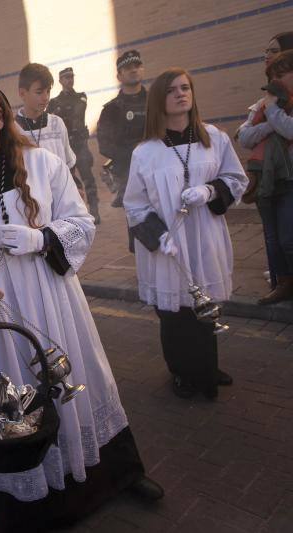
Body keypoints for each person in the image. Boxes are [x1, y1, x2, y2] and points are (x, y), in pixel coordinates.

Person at [0, 71, 161, 532]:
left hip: (55, 302)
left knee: (80, 382)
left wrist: (42, 237)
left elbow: (81, 221)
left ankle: (117, 474)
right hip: (0, 316)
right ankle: (37, 505)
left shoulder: (44, 165)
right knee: (19, 404)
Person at [124, 68, 248, 399]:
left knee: (205, 306)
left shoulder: (214, 138)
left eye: (186, 88)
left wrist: (209, 192)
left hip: (205, 235)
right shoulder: (145, 152)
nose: (181, 94)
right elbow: (134, 204)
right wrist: (156, 236)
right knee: (175, 313)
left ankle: (207, 367)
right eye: (172, 90)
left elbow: (236, 179)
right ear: (158, 101)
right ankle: (181, 370)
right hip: (169, 245)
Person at [236, 34, 293, 300]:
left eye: (282, 74)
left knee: (288, 239)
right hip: (265, 180)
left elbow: (289, 129)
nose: (276, 80)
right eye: (273, 75)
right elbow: (245, 137)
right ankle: (281, 285)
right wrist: (270, 116)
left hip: (288, 180)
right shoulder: (264, 104)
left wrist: (271, 115)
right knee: (272, 239)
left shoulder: (271, 107)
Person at [48, 67, 100, 223]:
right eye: (66, 78)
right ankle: (77, 213)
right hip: (65, 147)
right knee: (68, 182)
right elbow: (52, 121)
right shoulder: (54, 102)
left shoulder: (80, 97)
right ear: (60, 81)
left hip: (79, 144)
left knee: (88, 179)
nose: (69, 80)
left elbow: (78, 112)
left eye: (71, 77)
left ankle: (95, 211)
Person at [97, 50, 147, 208]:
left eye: (137, 66)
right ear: (119, 76)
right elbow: (104, 145)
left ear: (143, 70)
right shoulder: (111, 109)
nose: (134, 70)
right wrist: (133, 154)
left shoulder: (156, 102)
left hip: (158, 170)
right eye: (128, 68)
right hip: (128, 174)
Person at [14, 63, 77, 175]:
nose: (46, 97)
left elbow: (69, 164)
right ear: (22, 93)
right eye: (39, 92)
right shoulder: (12, 129)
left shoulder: (57, 123)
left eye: (48, 91)